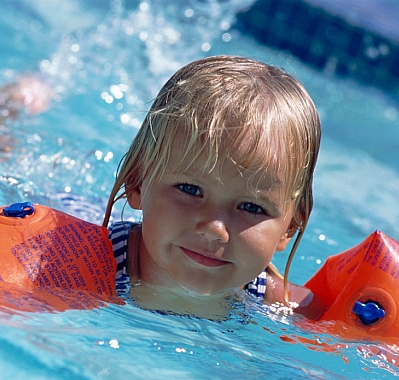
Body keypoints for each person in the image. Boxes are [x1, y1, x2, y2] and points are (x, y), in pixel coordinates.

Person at [102, 55, 324, 318]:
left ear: (289, 228)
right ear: (137, 182)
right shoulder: (87, 262)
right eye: (190, 189)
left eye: (252, 207)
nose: (214, 229)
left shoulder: (283, 304)